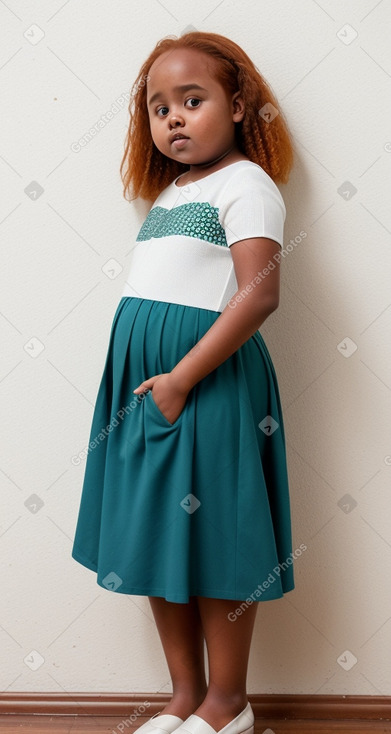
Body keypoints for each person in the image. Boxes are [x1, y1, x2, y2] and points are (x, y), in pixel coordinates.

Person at [71, 30, 295, 734]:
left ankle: (228, 704)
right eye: (158, 107)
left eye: (191, 100)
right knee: (153, 533)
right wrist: (151, 379)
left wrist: (181, 378)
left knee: (218, 537)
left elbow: (258, 293)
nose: (172, 117)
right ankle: (183, 697)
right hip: (146, 388)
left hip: (208, 384)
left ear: (237, 106)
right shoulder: (169, 194)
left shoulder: (246, 185)